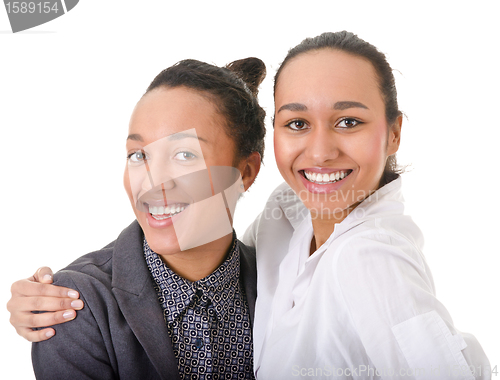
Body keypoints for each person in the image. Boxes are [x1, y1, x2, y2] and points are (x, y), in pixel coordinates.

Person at [8, 32, 491, 379]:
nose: (319, 152)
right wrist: (36, 295)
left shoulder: (370, 258)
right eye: (297, 123)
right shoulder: (287, 220)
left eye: (184, 155)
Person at [10, 57, 267, 379]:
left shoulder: (285, 284)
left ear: (244, 173)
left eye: (185, 155)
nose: (152, 181)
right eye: (138, 155)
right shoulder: (75, 302)